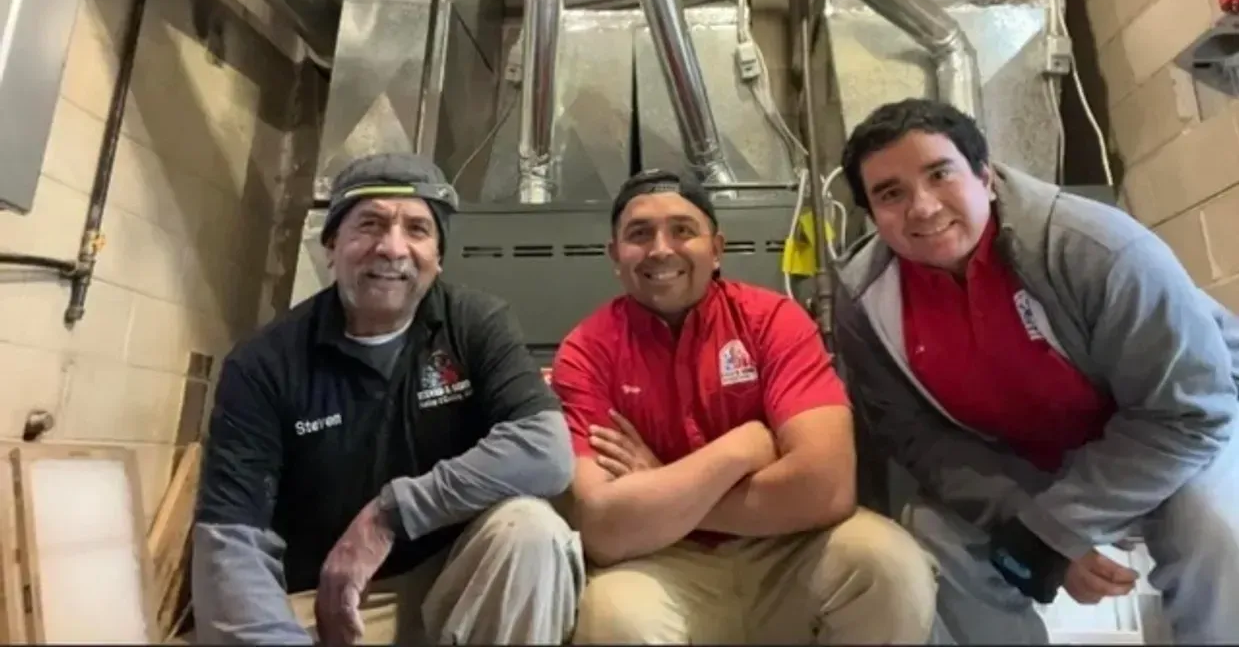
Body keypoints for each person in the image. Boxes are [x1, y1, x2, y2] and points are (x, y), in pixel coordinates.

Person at [832, 98, 1239, 644]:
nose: (923, 207)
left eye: (939, 173)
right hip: (1034, 463)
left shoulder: (1096, 247)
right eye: (891, 193)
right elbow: (919, 441)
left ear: (985, 175)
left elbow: (1191, 412)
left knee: (1214, 530)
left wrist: (1055, 529)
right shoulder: (864, 302)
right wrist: (1027, 521)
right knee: (934, 539)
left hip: (1181, 438)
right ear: (872, 215)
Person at [192, 153, 583, 646]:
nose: (392, 248)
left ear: (438, 256)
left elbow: (545, 451)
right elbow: (233, 543)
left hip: (457, 592)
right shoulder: (263, 364)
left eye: (417, 229)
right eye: (370, 224)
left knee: (532, 530)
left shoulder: (476, 324)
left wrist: (391, 513)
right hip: (327, 607)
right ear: (331, 245)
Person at [550, 169, 938, 644]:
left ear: (716, 249)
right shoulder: (586, 350)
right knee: (612, 618)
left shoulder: (774, 321)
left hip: (790, 550)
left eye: (683, 230)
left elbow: (826, 487)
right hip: (661, 563)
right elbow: (604, 528)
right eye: (639, 234)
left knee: (890, 567)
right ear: (615, 257)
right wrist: (741, 448)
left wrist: (659, 485)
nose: (660, 249)